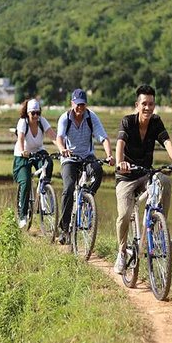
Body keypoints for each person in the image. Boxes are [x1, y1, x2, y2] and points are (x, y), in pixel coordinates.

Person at [114, 84, 172, 274]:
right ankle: (121, 252)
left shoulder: (156, 122)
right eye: (144, 104)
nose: (148, 108)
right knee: (125, 214)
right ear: (137, 105)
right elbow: (120, 144)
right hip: (126, 176)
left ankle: (160, 227)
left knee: (164, 181)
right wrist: (120, 162)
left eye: (151, 104)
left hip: (145, 173)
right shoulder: (127, 122)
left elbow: (166, 141)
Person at [56, 88, 115, 244]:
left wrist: (109, 155)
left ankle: (87, 198)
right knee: (68, 188)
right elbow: (59, 137)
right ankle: (64, 229)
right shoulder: (65, 118)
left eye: (82, 105)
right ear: (72, 103)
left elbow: (103, 138)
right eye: (77, 105)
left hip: (87, 156)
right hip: (69, 159)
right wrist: (62, 149)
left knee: (98, 171)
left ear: (86, 105)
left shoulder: (91, 117)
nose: (80, 108)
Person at [13, 99, 57, 228]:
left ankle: (43, 187)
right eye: (33, 113)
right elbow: (20, 138)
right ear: (28, 113)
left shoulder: (42, 122)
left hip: (37, 151)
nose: (36, 116)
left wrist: (62, 149)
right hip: (23, 154)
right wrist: (23, 151)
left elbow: (52, 135)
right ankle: (23, 215)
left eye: (38, 113)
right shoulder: (23, 122)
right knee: (25, 182)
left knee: (48, 163)